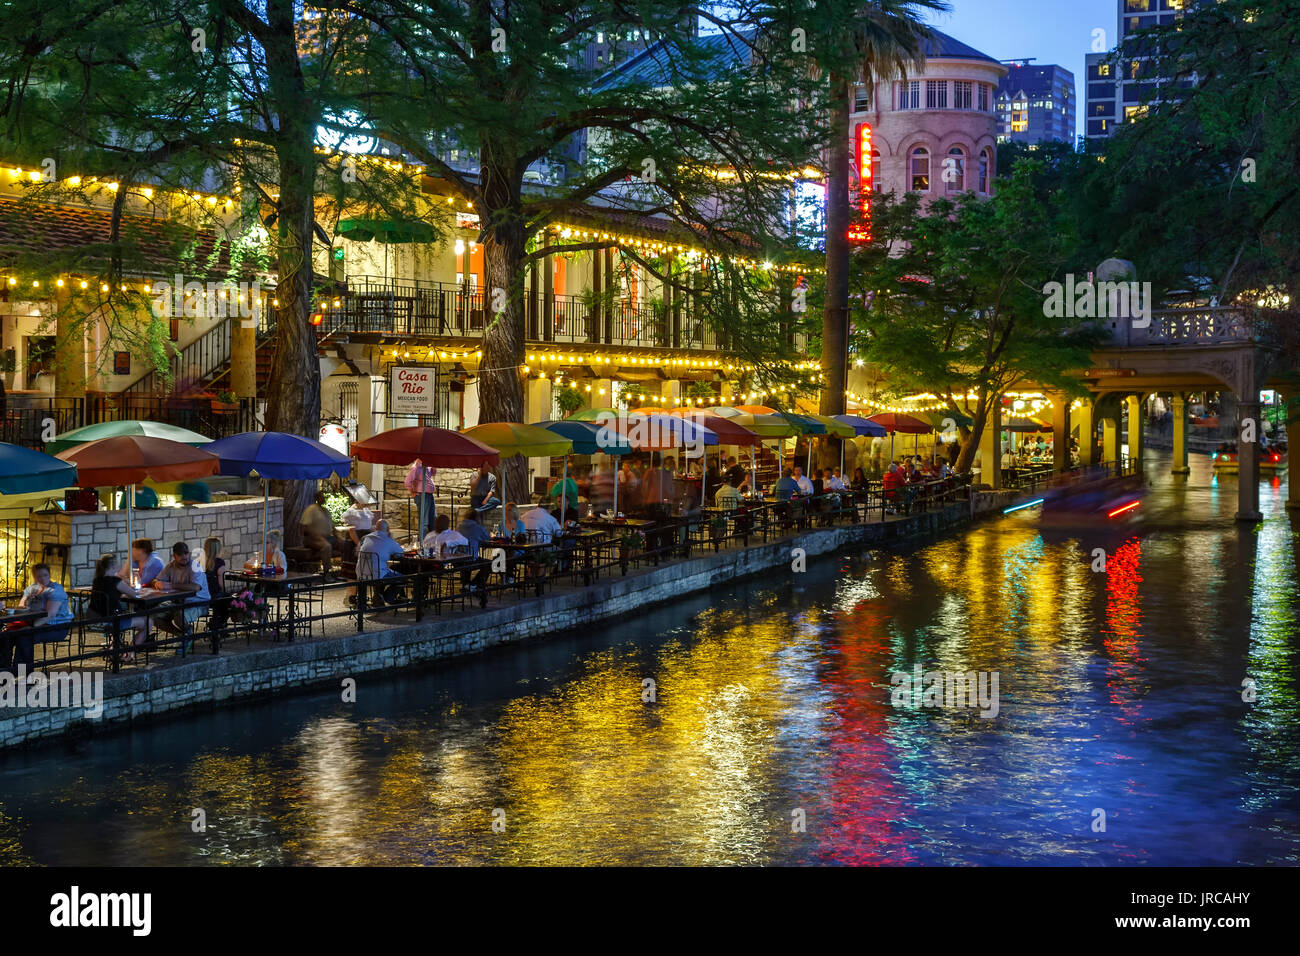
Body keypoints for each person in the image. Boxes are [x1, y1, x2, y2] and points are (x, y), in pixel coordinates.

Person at [4, 563, 73, 675]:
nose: (42, 578)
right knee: (7, 634)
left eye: (45, 575)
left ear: (49, 575)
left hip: (56, 626)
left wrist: (31, 626)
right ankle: (4, 668)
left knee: (24, 635)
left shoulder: (56, 590)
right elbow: (23, 605)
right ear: (35, 577)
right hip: (37, 622)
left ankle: (23, 672)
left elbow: (50, 615)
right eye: (39, 576)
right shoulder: (34, 589)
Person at [90, 552, 152, 660]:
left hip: (96, 619)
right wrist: (140, 584)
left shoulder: (97, 580)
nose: (120, 565)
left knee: (121, 617)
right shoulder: (116, 581)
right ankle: (129, 653)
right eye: (118, 563)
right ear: (113, 566)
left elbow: (112, 592)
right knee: (149, 622)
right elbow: (134, 594)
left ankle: (114, 649)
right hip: (113, 621)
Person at [150, 541, 210, 638]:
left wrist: (171, 585)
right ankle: (182, 635)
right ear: (174, 556)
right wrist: (157, 583)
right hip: (178, 601)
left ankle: (186, 634)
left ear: (189, 554)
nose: (184, 557)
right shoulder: (171, 566)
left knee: (180, 615)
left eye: (186, 553)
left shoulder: (195, 566)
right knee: (153, 616)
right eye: (180, 554)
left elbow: (196, 587)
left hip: (199, 602)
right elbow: (156, 579)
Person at [456, 510, 492, 606]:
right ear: (477, 518)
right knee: (488, 564)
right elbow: (487, 538)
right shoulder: (477, 528)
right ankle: (474, 584)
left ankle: (466, 584)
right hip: (471, 559)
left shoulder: (459, 527)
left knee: (468, 558)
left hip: (458, 559)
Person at [300, 492, 339, 576]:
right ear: (317, 498)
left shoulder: (326, 511)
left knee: (344, 544)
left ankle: (345, 571)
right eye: (322, 497)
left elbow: (333, 526)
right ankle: (326, 573)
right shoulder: (311, 509)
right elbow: (305, 526)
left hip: (327, 537)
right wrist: (318, 537)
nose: (324, 499)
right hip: (312, 539)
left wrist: (339, 538)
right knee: (327, 546)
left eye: (324, 497)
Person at [201, 537, 229, 637]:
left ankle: (215, 623)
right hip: (214, 595)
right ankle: (218, 626)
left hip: (202, 595)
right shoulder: (220, 563)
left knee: (223, 600)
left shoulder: (200, 562)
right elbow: (221, 584)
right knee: (229, 600)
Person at [404, 459, 438, 537]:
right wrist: (412, 492)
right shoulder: (415, 468)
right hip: (422, 495)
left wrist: (434, 466)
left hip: (429, 495)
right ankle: (423, 543)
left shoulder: (427, 466)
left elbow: (433, 473)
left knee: (433, 519)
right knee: (424, 521)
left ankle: (432, 541)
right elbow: (407, 481)